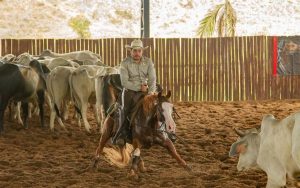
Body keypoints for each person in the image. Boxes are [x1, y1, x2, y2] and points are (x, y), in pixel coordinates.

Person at [112, 39, 157, 146]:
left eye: (139, 51)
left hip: (146, 89)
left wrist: (150, 92)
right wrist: (139, 88)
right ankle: (120, 135)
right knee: (124, 109)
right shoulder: (125, 63)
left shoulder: (148, 62)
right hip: (129, 91)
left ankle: (161, 131)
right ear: (130, 51)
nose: (137, 53)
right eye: (134, 51)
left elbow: (152, 78)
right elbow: (124, 82)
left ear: (142, 51)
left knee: (159, 105)